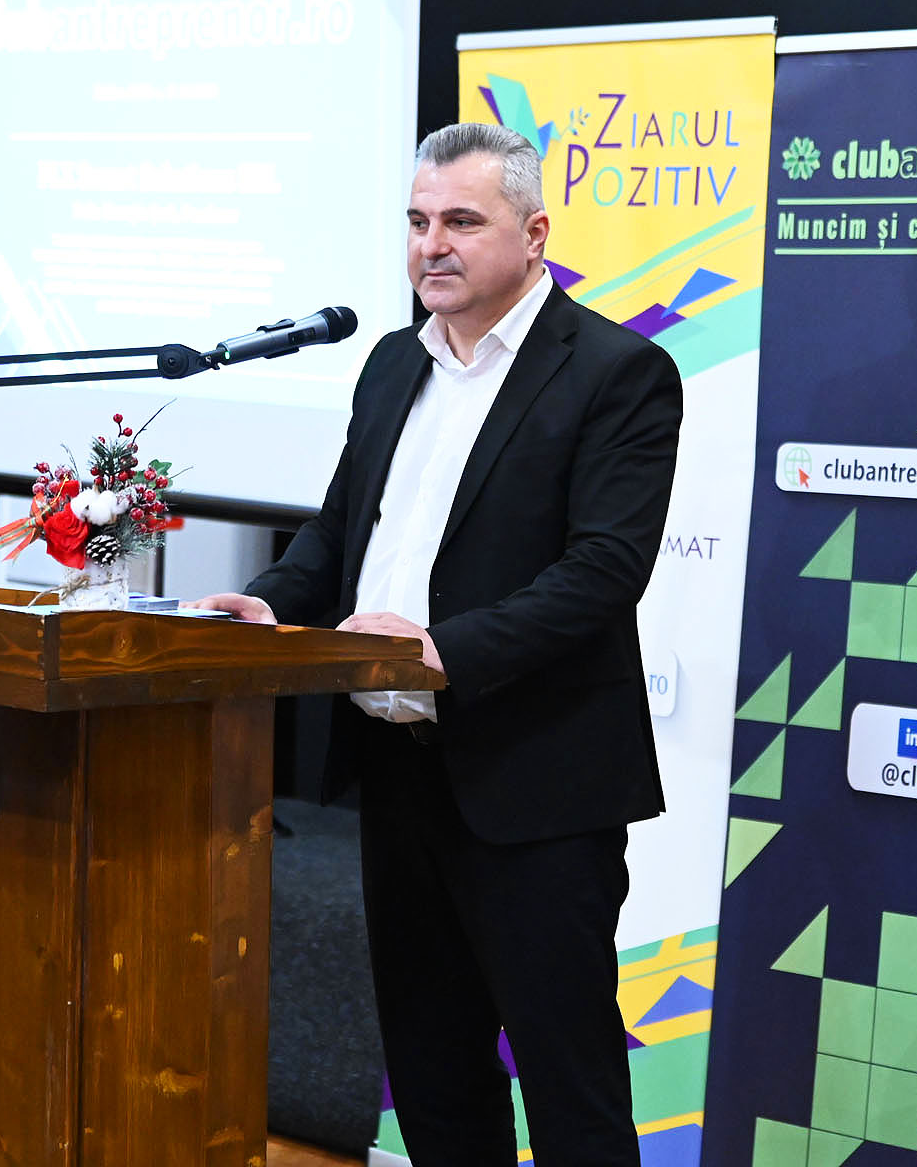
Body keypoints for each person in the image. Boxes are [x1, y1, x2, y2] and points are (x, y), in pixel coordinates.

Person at [193, 122, 681, 1165]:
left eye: (461, 220)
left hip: (536, 782)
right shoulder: (390, 362)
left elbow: (604, 570)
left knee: (571, 1087)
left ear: (535, 233)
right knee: (432, 1075)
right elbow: (339, 533)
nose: (431, 245)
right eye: (417, 221)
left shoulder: (616, 370)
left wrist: (439, 650)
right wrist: (269, 606)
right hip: (396, 771)